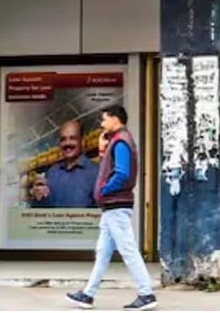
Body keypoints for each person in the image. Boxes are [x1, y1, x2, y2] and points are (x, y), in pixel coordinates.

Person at [66, 105, 157, 311]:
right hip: (112, 206)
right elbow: (109, 169)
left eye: (104, 119)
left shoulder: (121, 141)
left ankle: (146, 294)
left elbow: (122, 174)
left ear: (116, 119)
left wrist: (103, 190)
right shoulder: (116, 141)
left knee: (128, 249)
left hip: (116, 204)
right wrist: (101, 150)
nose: (102, 124)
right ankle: (88, 294)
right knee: (103, 252)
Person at [45, 119, 100, 208]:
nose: (67, 143)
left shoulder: (96, 173)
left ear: (82, 141)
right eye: (63, 139)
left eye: (72, 138)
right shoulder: (51, 173)